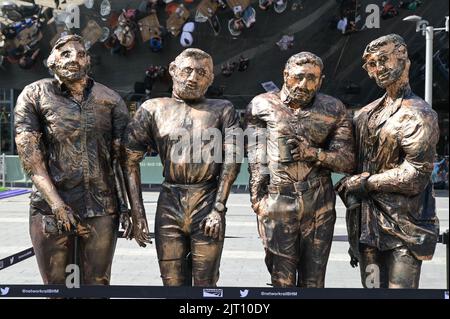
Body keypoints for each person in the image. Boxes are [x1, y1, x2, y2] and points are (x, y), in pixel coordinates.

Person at [14, 35, 131, 286]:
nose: (73, 59)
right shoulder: (33, 94)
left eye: (80, 54)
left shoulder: (110, 99)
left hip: (101, 207)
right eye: (65, 53)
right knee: (55, 287)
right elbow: (32, 160)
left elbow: (122, 160)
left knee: (97, 284)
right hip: (50, 209)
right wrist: (57, 204)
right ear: (52, 61)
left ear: (88, 61)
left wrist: (132, 209)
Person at [123, 48, 242, 286]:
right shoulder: (152, 108)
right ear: (173, 70)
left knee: (206, 282)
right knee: (171, 282)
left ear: (210, 79)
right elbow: (129, 159)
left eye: (201, 72)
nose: (193, 78)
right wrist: (137, 213)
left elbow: (232, 159)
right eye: (187, 70)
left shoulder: (223, 109)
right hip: (170, 200)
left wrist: (218, 208)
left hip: (207, 199)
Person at [245, 52, 355, 287]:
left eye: (312, 78)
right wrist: (257, 199)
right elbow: (255, 157)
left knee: (314, 282)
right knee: (281, 282)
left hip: (319, 204)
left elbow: (347, 161)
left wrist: (313, 153)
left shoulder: (334, 109)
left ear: (321, 80)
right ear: (286, 75)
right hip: (277, 200)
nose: (304, 84)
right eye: (299, 77)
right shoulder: (261, 104)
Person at [341, 34, 439, 288]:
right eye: (371, 65)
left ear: (403, 54)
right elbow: (351, 163)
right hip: (367, 229)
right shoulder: (364, 114)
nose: (378, 69)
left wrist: (366, 183)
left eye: (383, 60)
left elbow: (416, 175)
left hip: (405, 229)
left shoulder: (419, 113)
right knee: (372, 290)